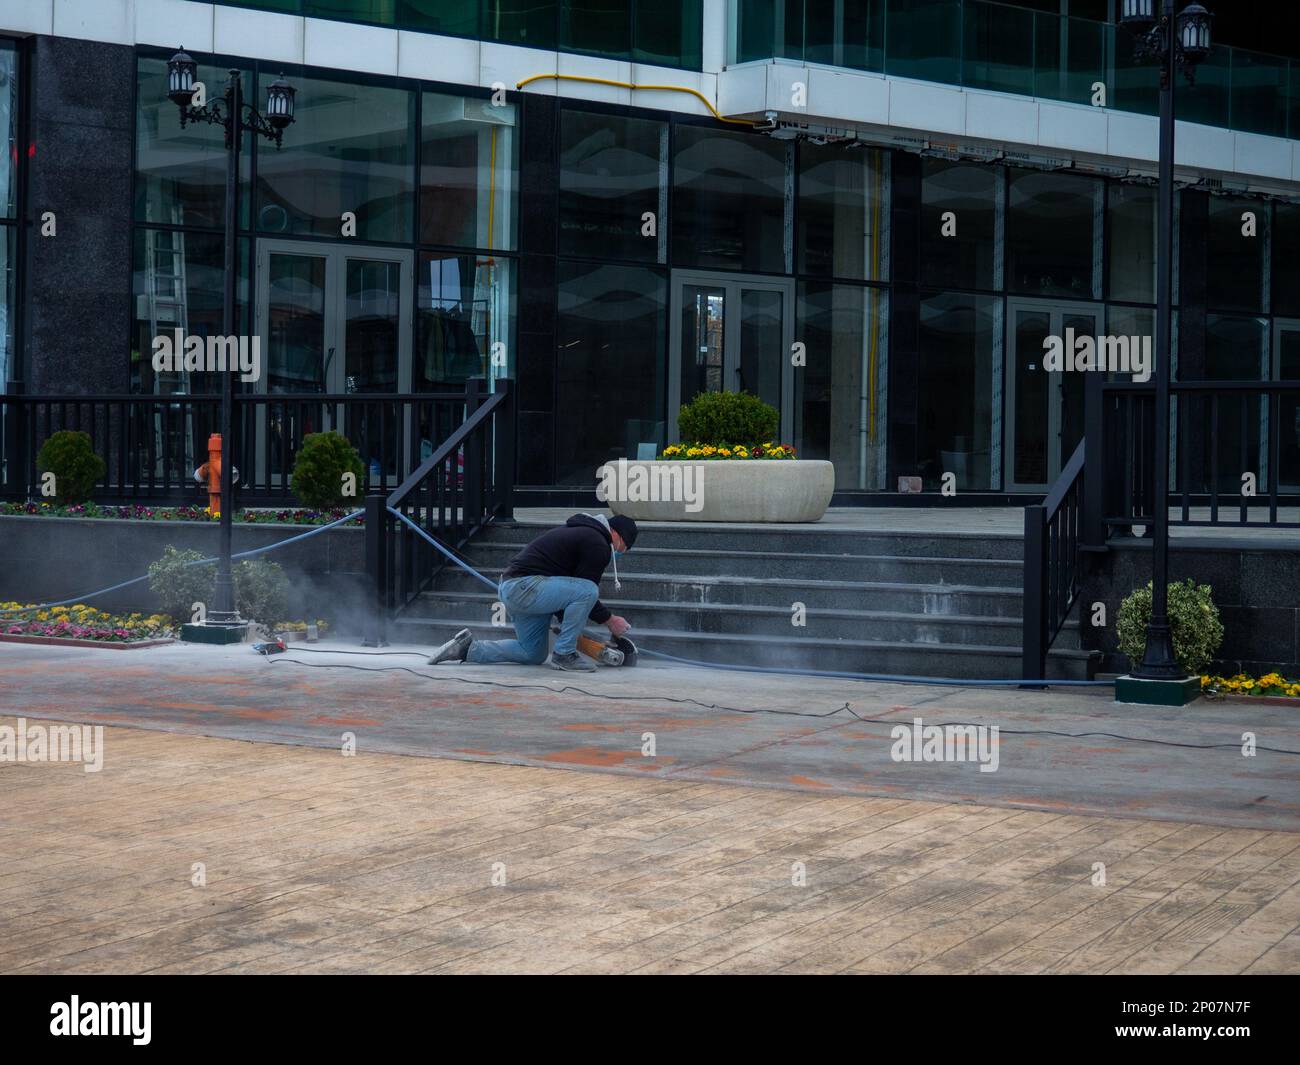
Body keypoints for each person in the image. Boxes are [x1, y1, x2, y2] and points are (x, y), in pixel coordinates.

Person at [428, 513, 637, 672]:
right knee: (589, 589)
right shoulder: (597, 542)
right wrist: (610, 620)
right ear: (616, 534)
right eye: (623, 547)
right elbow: (585, 591)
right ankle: (565, 654)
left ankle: (466, 649)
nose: (619, 552)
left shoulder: (583, 534)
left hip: (516, 589)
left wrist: (571, 628)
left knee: (532, 653)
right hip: (526, 588)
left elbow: (570, 596)